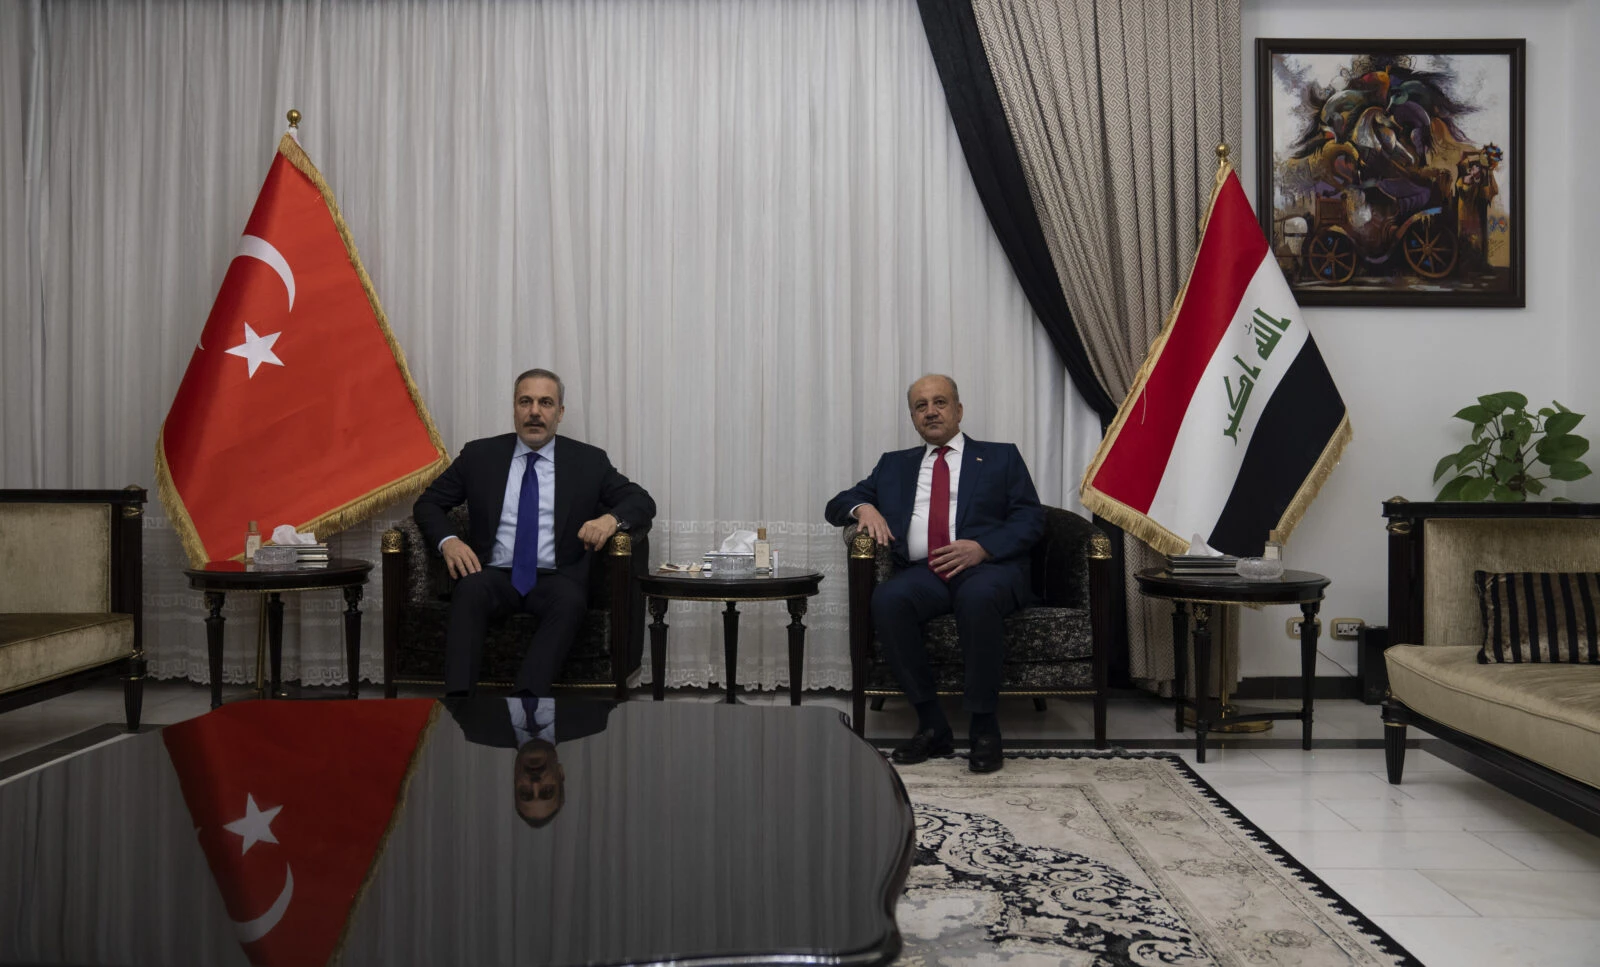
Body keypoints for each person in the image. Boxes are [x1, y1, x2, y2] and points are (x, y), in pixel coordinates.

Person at [825, 374, 1043, 773]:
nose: (930, 411)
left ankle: (983, 726)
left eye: (939, 402)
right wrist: (864, 509)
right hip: (926, 572)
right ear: (912, 417)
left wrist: (983, 548)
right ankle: (931, 724)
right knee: (888, 600)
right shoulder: (895, 465)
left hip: (988, 568)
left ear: (958, 410)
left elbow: (1031, 519)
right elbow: (837, 503)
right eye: (920, 406)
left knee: (977, 598)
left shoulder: (1000, 457)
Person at [414, 368, 656, 697]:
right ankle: (458, 704)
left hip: (556, 577)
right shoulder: (479, 456)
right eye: (525, 402)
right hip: (494, 573)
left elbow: (641, 500)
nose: (534, 412)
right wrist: (449, 541)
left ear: (560, 412)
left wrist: (609, 520)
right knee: (469, 591)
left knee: (570, 601)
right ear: (514, 408)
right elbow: (428, 503)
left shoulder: (588, 461)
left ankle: (528, 702)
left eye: (545, 403)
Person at [444, 696, 615, 826]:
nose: (535, 783)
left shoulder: (476, 724)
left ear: (514, 779)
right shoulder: (592, 715)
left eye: (525, 793)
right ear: (561, 773)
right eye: (547, 791)